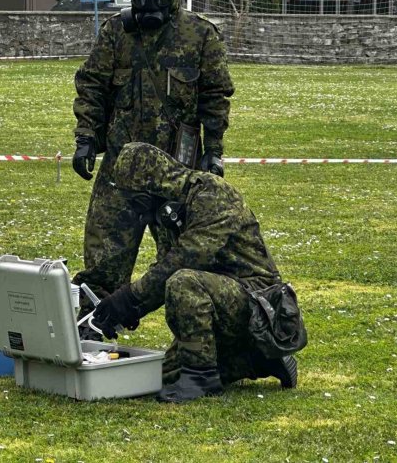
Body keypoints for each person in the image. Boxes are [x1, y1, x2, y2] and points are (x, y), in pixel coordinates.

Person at [71, 0, 234, 316]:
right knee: (102, 266)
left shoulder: (200, 34)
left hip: (176, 173)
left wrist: (214, 150)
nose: (147, 7)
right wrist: (85, 138)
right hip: (121, 170)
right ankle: (90, 334)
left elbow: (215, 95)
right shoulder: (116, 32)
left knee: (184, 267)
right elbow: (92, 85)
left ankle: (196, 349)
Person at [92, 142, 299, 403]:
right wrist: (130, 309)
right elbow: (164, 269)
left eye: (136, 201)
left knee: (183, 282)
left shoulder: (212, 195)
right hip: (223, 297)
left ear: (153, 186)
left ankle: (202, 378)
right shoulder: (168, 209)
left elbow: (183, 262)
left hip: (260, 304)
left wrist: (130, 297)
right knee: (160, 375)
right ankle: (258, 360)